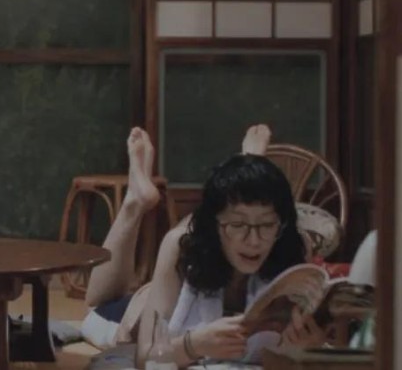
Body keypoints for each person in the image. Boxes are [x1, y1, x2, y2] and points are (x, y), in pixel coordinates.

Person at [82, 125, 327, 368]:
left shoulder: (292, 249)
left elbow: (278, 355)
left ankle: (245, 170)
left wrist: (308, 351)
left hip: (185, 272)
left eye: (266, 225)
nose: (254, 241)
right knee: (97, 302)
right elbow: (146, 357)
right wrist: (194, 345)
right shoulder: (180, 246)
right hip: (141, 308)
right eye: (238, 225)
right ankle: (134, 202)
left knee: (230, 212)